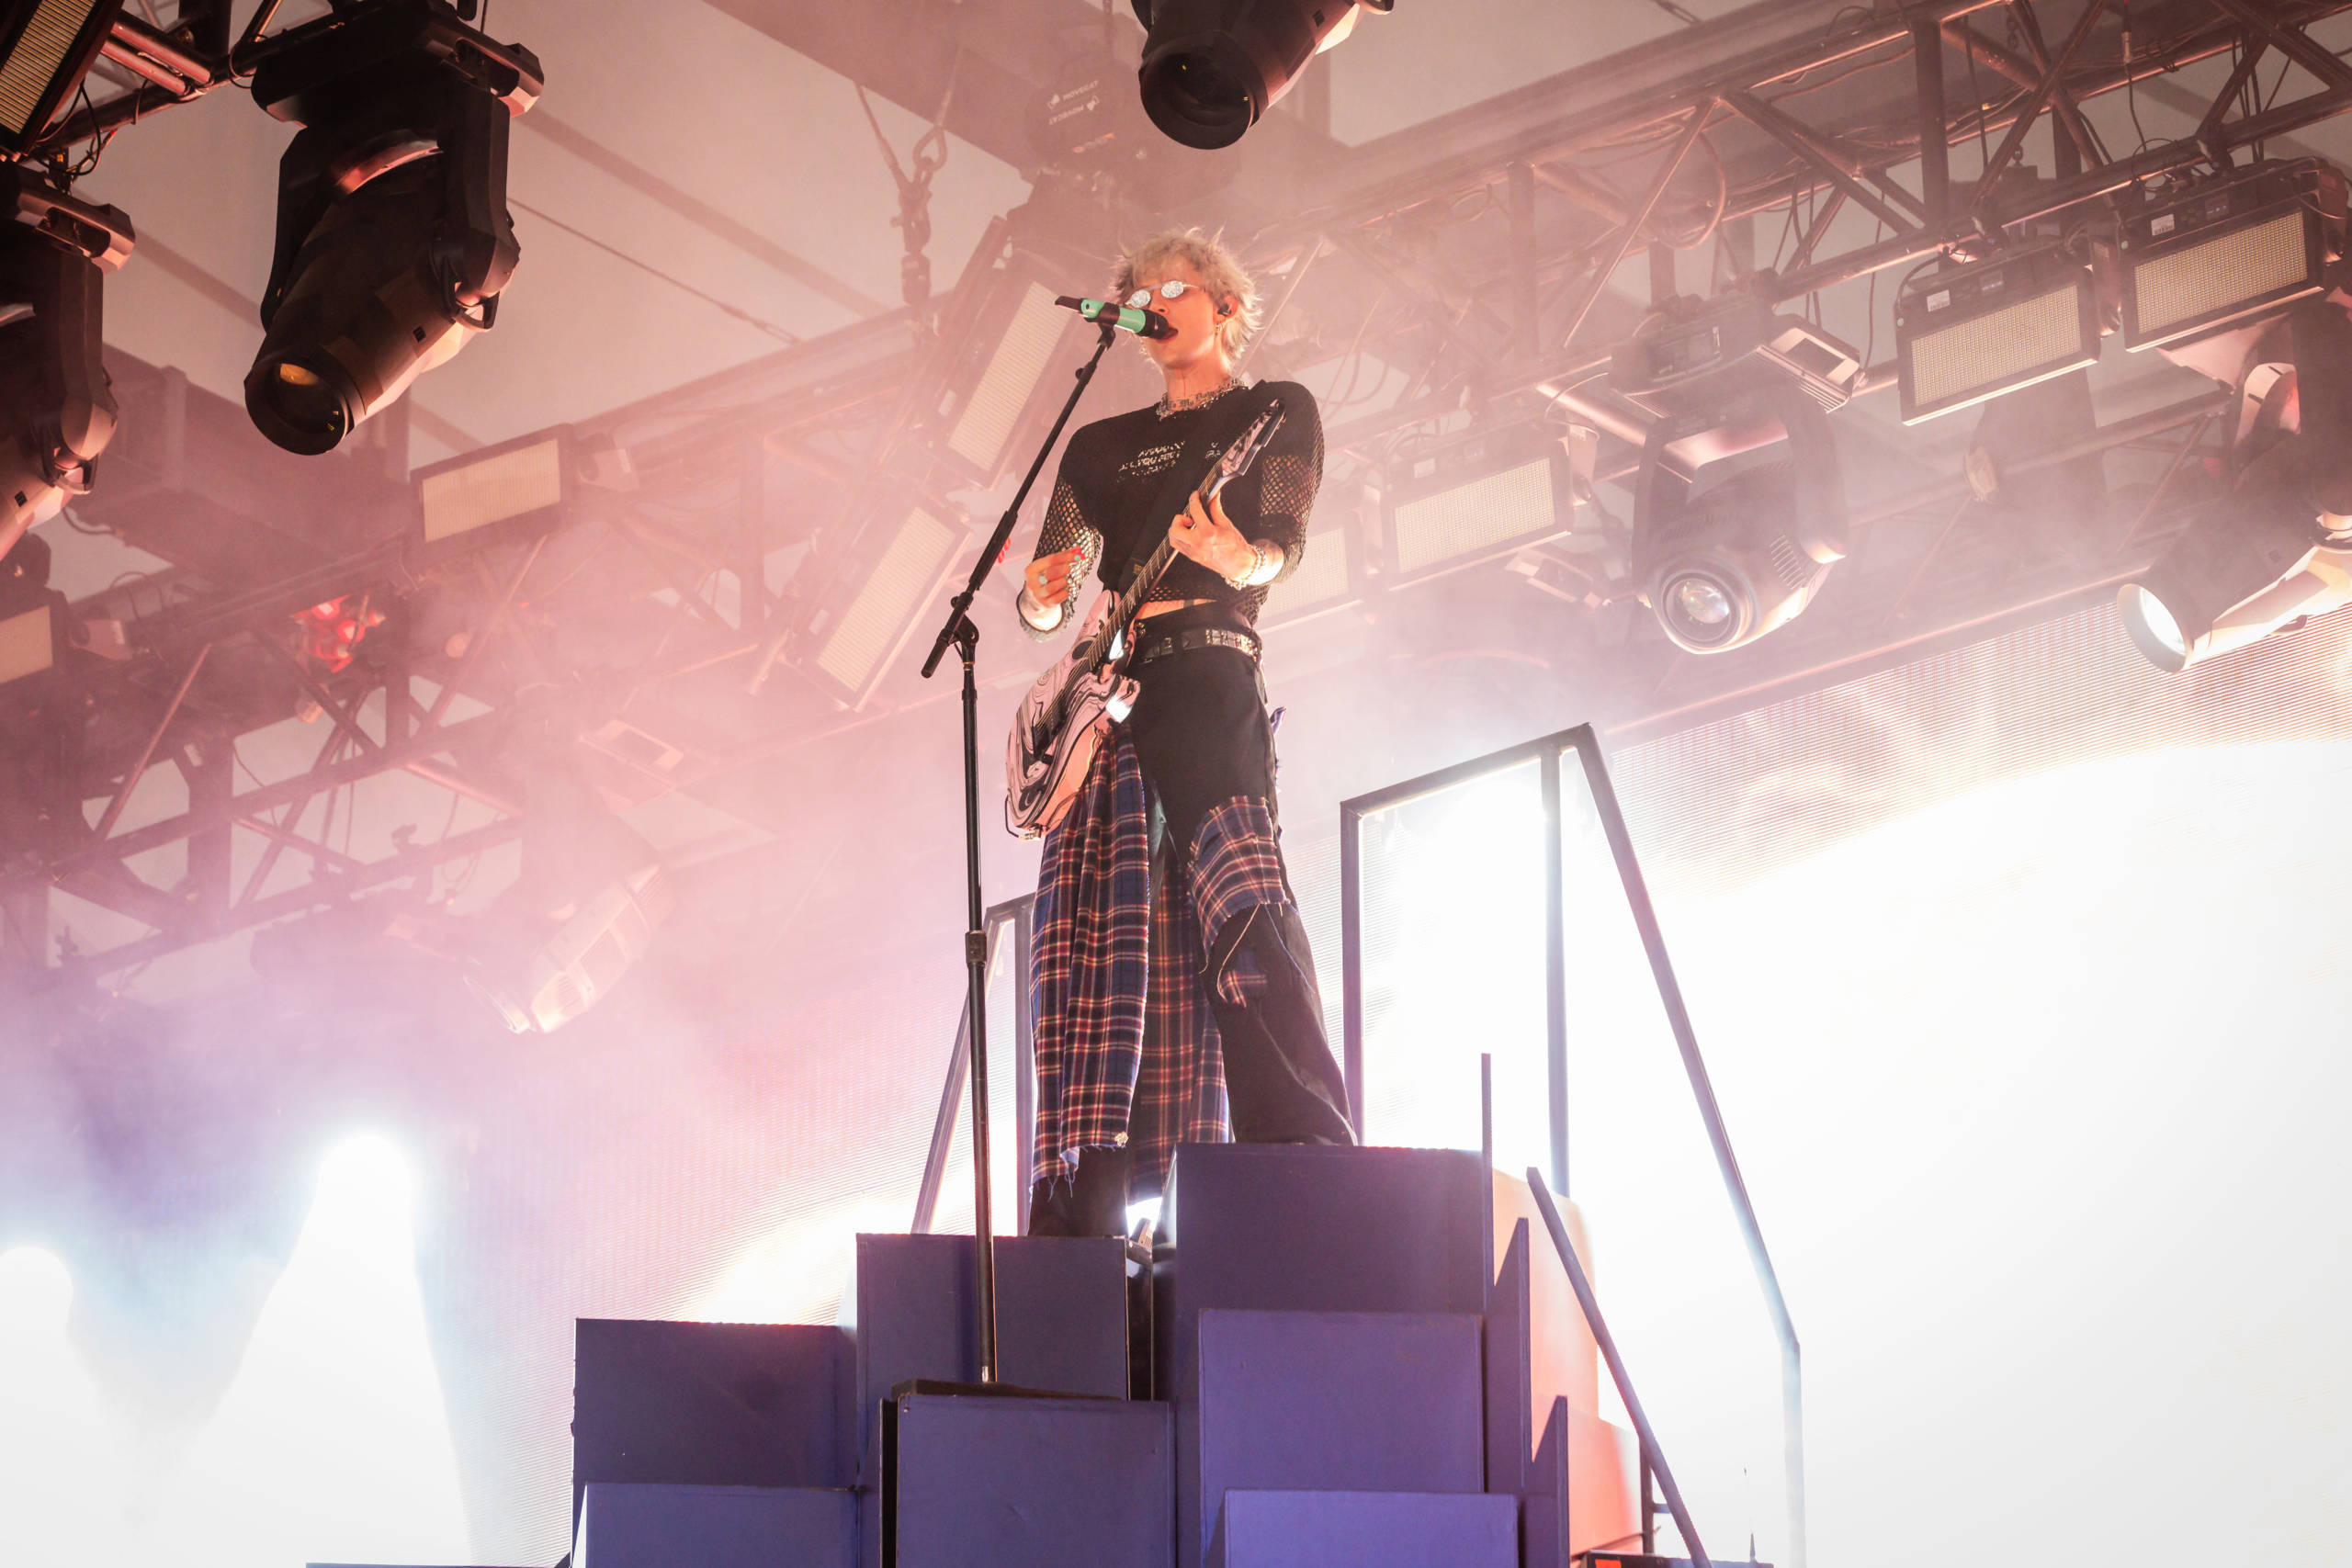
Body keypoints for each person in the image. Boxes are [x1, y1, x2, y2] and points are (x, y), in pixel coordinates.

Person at [1017, 229, 1354, 1240]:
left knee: (1240, 885)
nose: (1156, 301)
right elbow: (1050, 588)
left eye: (1177, 287)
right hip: (1107, 695)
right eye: (1141, 292)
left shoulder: (1272, 411)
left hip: (1207, 668)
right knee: (1101, 939)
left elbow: (1282, 544)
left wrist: (1236, 553)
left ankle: (1299, 1142)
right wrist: (1042, 601)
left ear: (1225, 309)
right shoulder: (1098, 447)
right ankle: (1086, 1199)